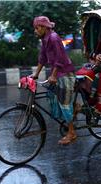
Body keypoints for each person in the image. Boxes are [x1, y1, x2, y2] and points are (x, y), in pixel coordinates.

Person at [31, 16, 78, 145]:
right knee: (52, 96)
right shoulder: (45, 39)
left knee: (64, 103)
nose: (35, 30)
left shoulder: (53, 38)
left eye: (37, 28)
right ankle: (75, 108)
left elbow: (59, 58)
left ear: (45, 27)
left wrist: (53, 75)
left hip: (65, 73)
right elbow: (42, 58)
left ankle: (72, 133)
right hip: (57, 74)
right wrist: (36, 74)